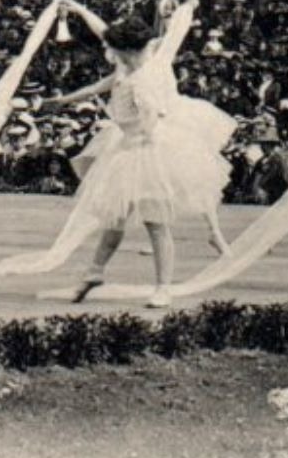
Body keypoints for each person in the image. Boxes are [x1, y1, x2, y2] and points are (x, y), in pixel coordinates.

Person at [36, 16, 229, 309]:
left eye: (116, 49)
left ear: (127, 50)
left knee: (155, 223)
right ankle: (94, 272)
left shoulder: (146, 76)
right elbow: (98, 87)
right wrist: (64, 101)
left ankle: (163, 287)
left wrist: (147, 124)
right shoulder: (126, 71)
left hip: (148, 152)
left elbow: (154, 114)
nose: (111, 53)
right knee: (114, 219)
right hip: (128, 149)